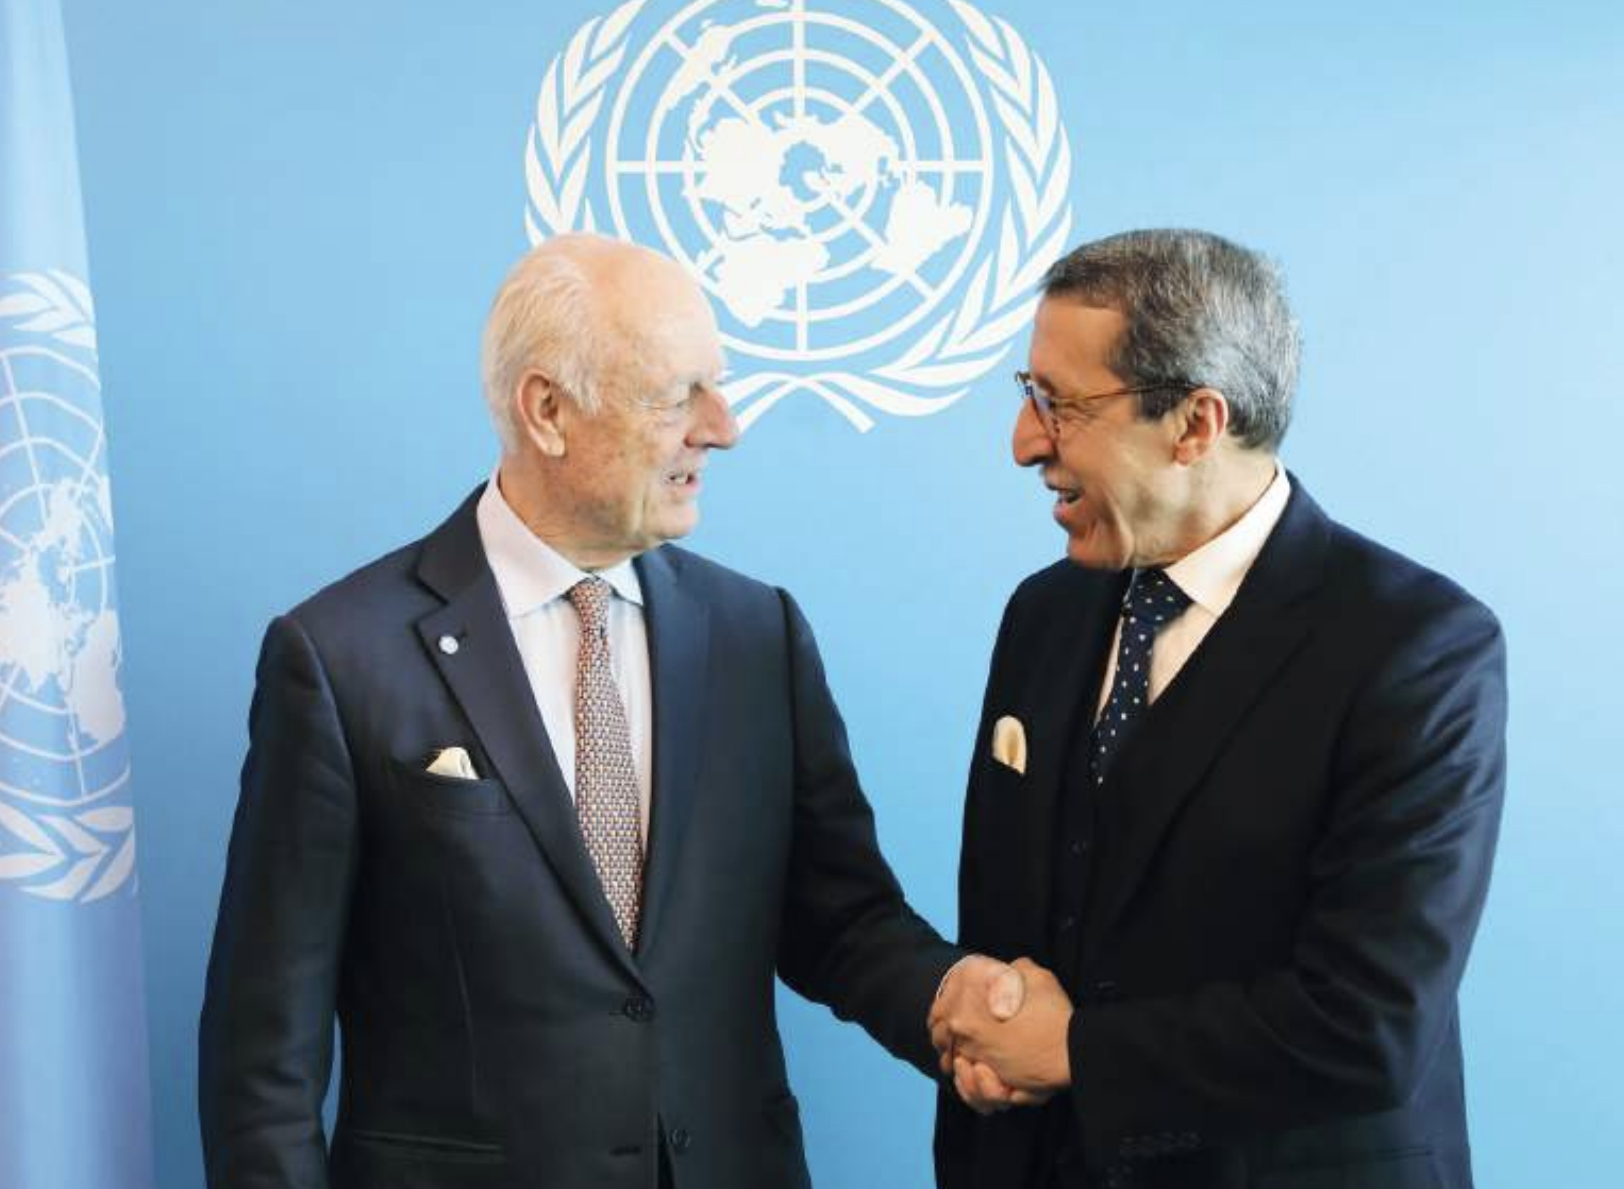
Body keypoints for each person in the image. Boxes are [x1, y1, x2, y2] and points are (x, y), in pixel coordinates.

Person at [198, 233, 1007, 1189]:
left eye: (718, 386)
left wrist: (961, 1004)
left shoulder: (757, 635)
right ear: (548, 410)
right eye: (676, 396)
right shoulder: (340, 658)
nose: (723, 426)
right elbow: (266, 1057)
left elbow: (838, 917)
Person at [930, 229, 1506, 1189]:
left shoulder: (1416, 647)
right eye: (1026, 395)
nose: (1026, 441)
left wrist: (1074, 1051)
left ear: (1196, 424)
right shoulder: (1045, 613)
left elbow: (1367, 1023)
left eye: (1061, 405)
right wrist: (991, 1045)